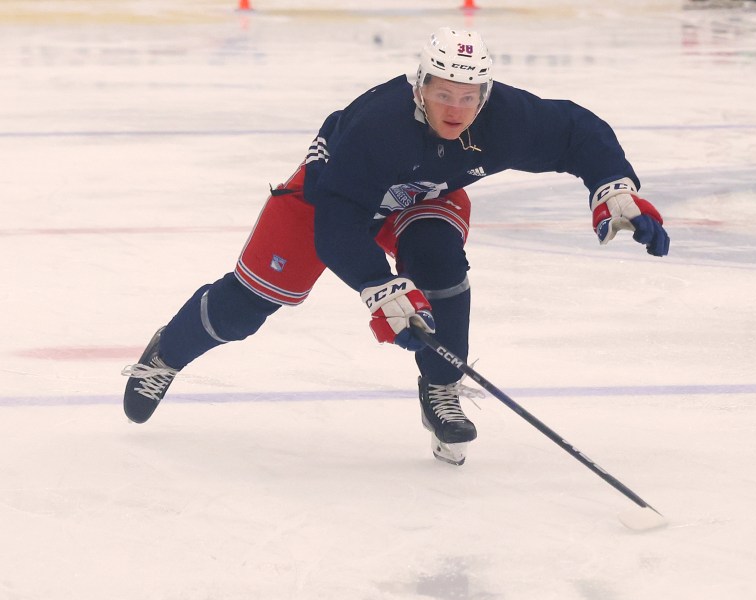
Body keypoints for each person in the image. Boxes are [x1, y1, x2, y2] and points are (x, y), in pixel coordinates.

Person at [121, 27, 670, 465]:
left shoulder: (503, 117)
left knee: (440, 264)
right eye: (443, 94)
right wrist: (378, 288)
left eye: (468, 96)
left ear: (485, 94)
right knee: (249, 305)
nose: (456, 109)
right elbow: (337, 225)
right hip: (334, 199)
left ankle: (440, 388)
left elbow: (578, 131)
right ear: (419, 88)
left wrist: (613, 188)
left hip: (422, 196)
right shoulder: (376, 126)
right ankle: (165, 354)